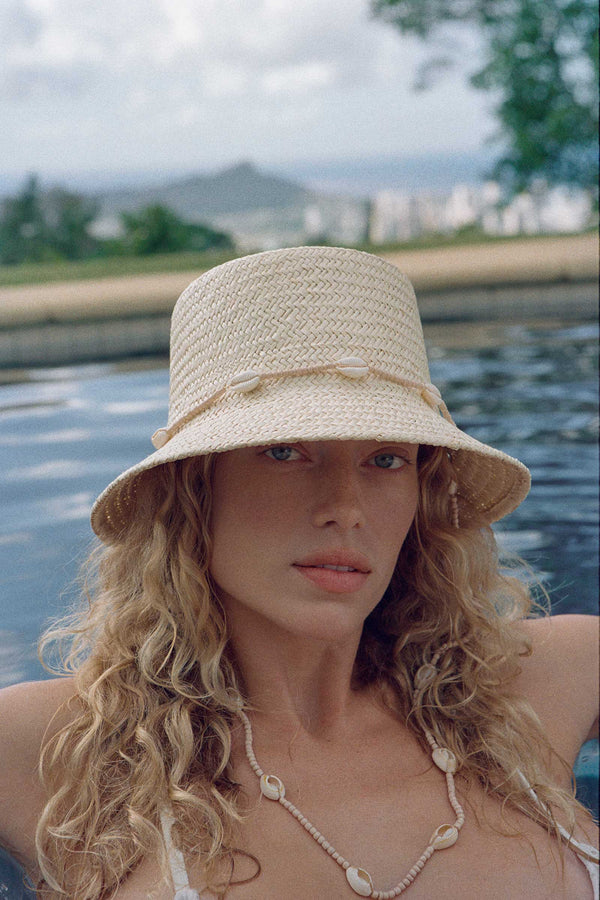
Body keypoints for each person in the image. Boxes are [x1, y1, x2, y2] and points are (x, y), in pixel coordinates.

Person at [0, 245, 597, 900]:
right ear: (193, 490)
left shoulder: (544, 686)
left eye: (387, 458)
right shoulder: (55, 751)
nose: (344, 507)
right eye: (284, 451)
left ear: (423, 493)